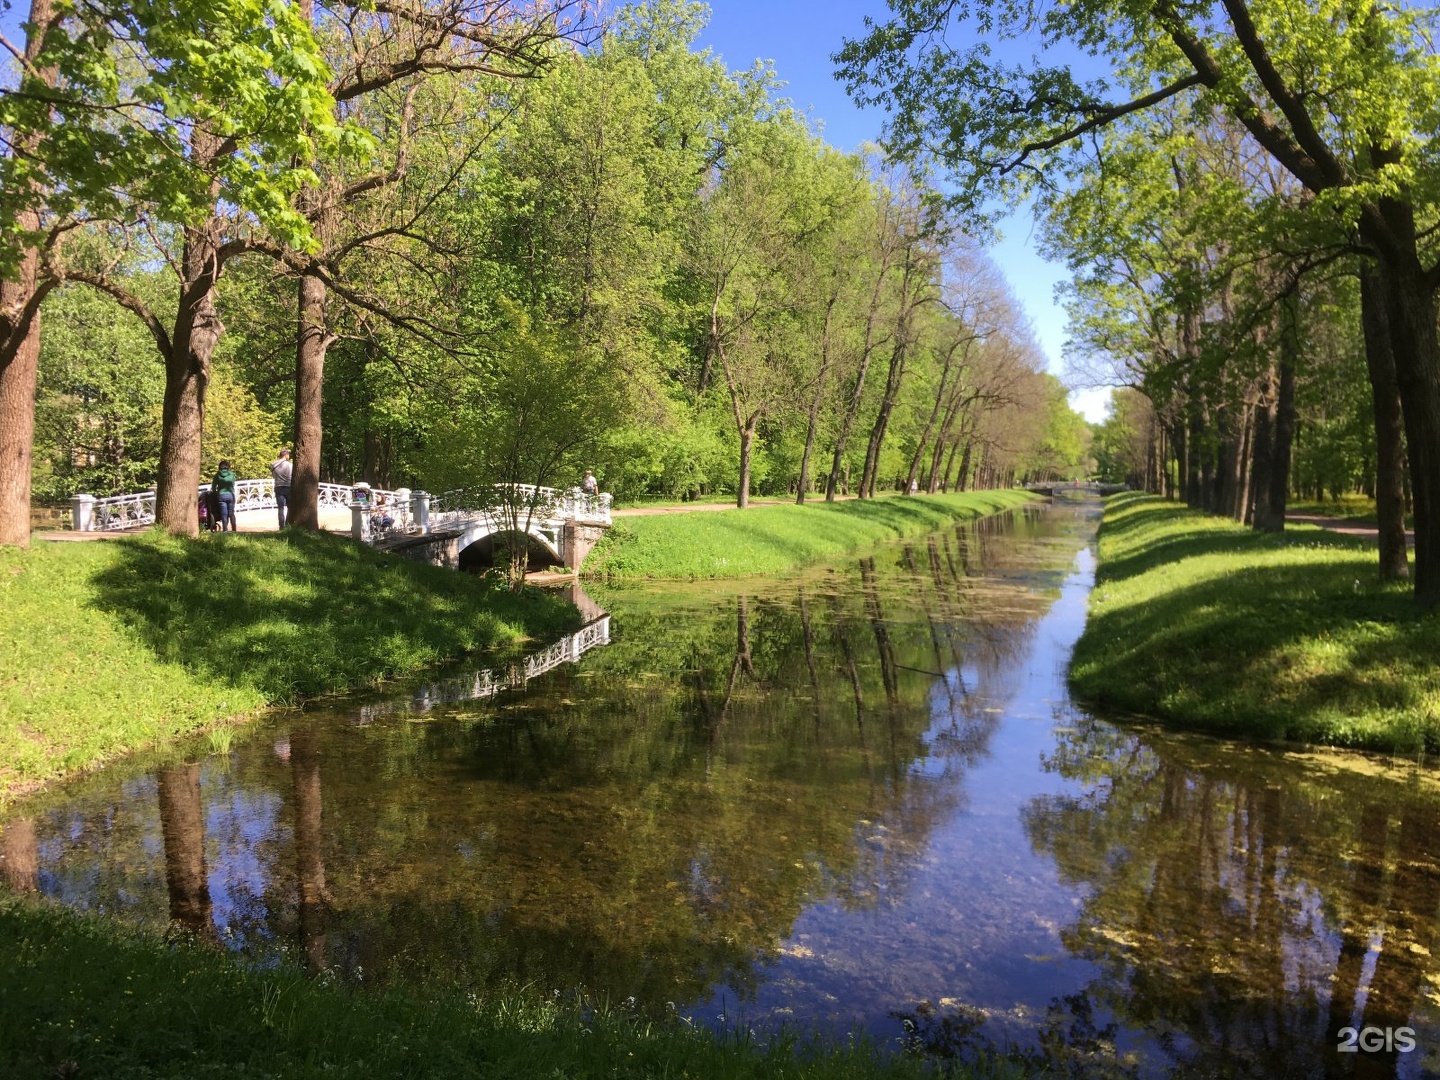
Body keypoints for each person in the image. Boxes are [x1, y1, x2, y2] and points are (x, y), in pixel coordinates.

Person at [212, 459, 238, 532]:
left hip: (221, 495)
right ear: (228, 467)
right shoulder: (232, 474)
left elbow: (213, 487)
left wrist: (215, 492)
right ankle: (234, 529)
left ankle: (225, 530)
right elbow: (233, 483)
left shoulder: (217, 475)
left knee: (224, 514)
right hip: (230, 495)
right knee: (231, 513)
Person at [270, 448, 292, 529]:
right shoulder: (290, 465)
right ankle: (287, 524)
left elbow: (274, 476)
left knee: (280, 508)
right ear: (286, 455)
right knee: (290, 506)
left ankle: (281, 526)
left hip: (278, 487)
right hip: (288, 487)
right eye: (288, 454)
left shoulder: (273, 465)